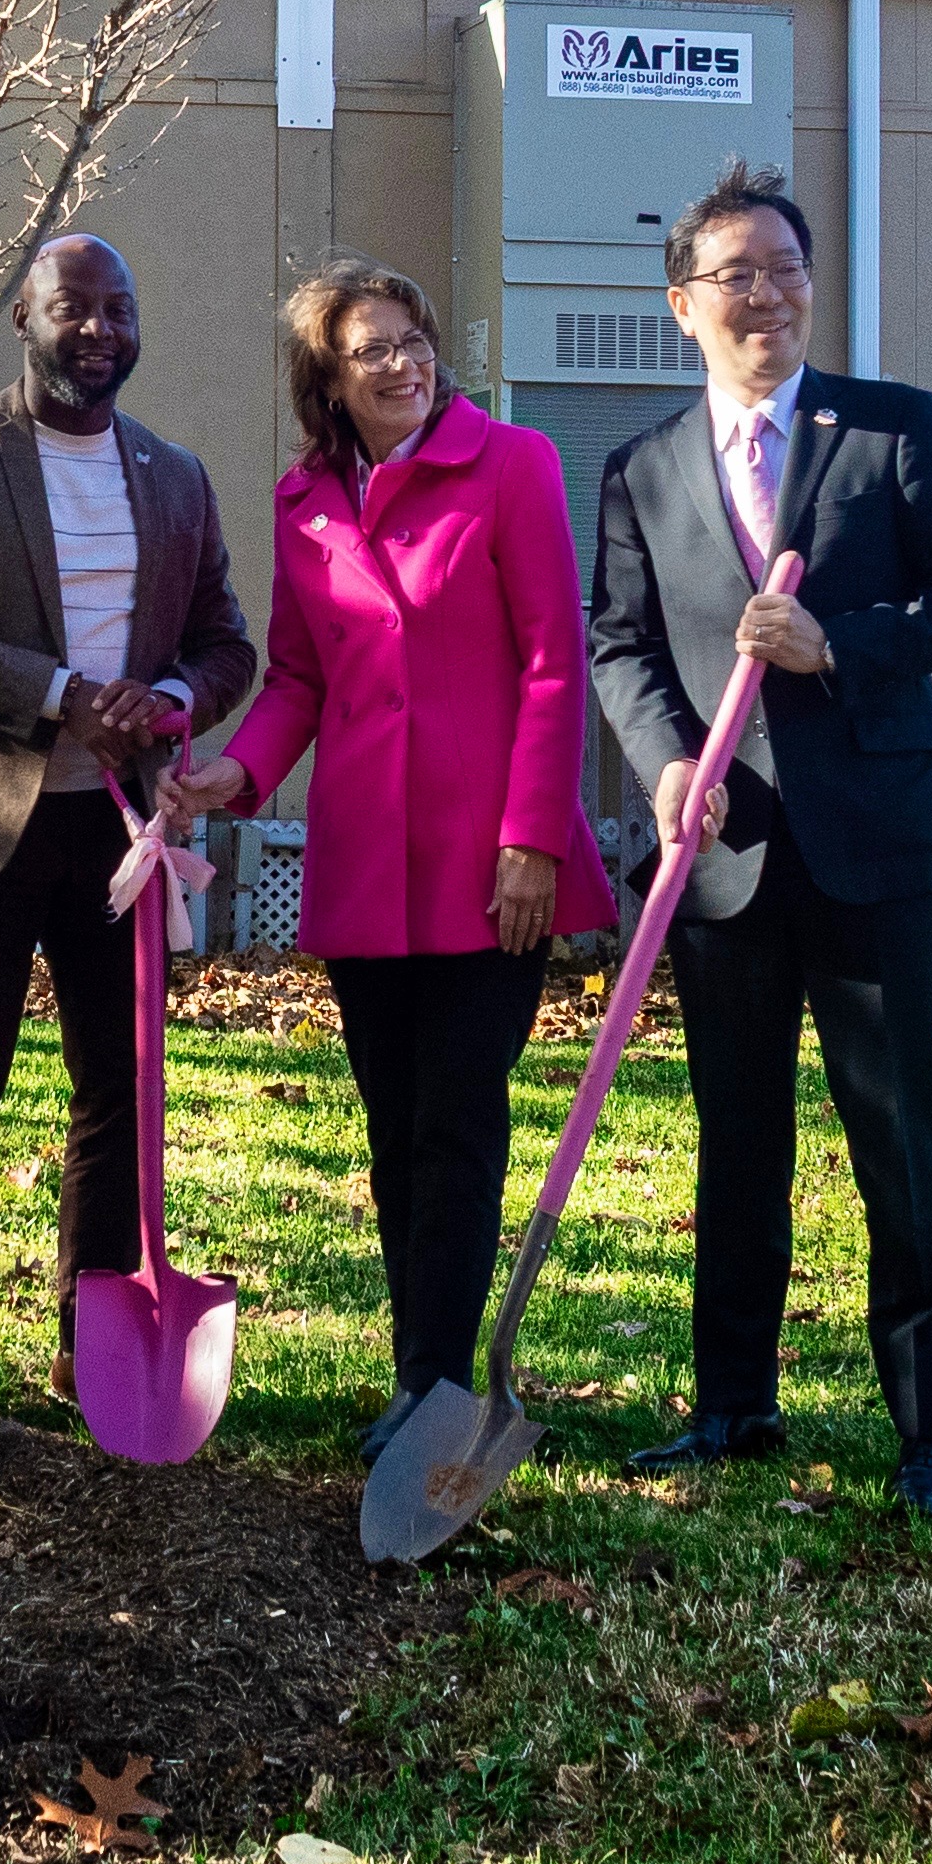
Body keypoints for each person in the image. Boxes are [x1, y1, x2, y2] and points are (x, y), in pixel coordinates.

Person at [585, 158, 932, 1514]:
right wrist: (664, 763)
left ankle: (926, 1429)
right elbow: (619, 645)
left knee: (899, 1137)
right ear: (683, 303)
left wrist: (841, 644)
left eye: (786, 269)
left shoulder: (892, 428)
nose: (766, 295)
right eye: (737, 275)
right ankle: (732, 1404)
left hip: (873, 844)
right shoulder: (643, 468)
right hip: (726, 852)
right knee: (738, 1137)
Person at [168, 259, 612, 1445]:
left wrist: (531, 839)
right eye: (374, 348)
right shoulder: (304, 501)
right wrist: (235, 774)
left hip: (490, 862)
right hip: (368, 861)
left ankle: (438, 1381)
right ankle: (420, 1369)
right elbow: (300, 675)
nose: (405, 363)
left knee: (457, 1120)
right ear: (327, 377)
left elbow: (554, 664)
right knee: (393, 1124)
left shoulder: (514, 464)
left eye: (416, 339)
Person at [0, 233, 257, 1410]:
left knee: (119, 1092)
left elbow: (225, 643)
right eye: (74, 308)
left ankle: (98, 1341)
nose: (100, 330)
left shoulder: (174, 474)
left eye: (119, 309)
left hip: (121, 830)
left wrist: (167, 699)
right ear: (23, 319)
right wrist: (60, 692)